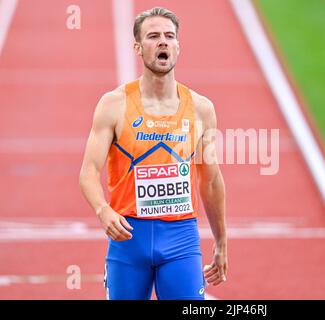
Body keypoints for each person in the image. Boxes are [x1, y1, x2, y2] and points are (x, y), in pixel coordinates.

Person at [79, 7, 227, 300]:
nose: (163, 42)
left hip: (181, 238)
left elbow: (210, 181)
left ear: (178, 46)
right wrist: (102, 209)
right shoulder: (113, 105)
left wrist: (221, 241)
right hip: (128, 237)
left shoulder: (201, 108)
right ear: (137, 47)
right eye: (153, 36)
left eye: (169, 36)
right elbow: (89, 172)